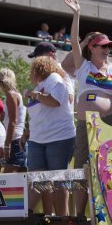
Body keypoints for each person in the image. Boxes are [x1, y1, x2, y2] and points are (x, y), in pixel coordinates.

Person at [64, 0, 112, 216]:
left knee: (104, 167)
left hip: (108, 122)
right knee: (81, 166)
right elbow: (74, 40)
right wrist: (77, 14)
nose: (107, 50)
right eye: (103, 47)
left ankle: (103, 214)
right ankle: (79, 215)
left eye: (109, 47)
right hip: (85, 123)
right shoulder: (83, 66)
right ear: (92, 48)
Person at [21, 56, 75, 216]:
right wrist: (28, 132)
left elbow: (56, 101)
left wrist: (35, 95)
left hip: (59, 138)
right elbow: (41, 114)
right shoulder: (42, 85)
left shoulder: (55, 78)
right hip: (38, 139)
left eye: (31, 70)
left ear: (39, 69)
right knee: (38, 179)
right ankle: (27, 218)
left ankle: (62, 221)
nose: (29, 74)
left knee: (58, 180)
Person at [28, 42, 75, 114]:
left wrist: (37, 95)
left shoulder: (60, 70)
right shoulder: (47, 73)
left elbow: (69, 99)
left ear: (50, 55)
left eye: (38, 56)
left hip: (58, 123)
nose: (36, 60)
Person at [0, 68, 27, 173]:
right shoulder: (16, 95)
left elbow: (13, 121)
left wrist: (7, 145)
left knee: (8, 181)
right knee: (22, 181)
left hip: (15, 141)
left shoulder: (10, 95)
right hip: (19, 139)